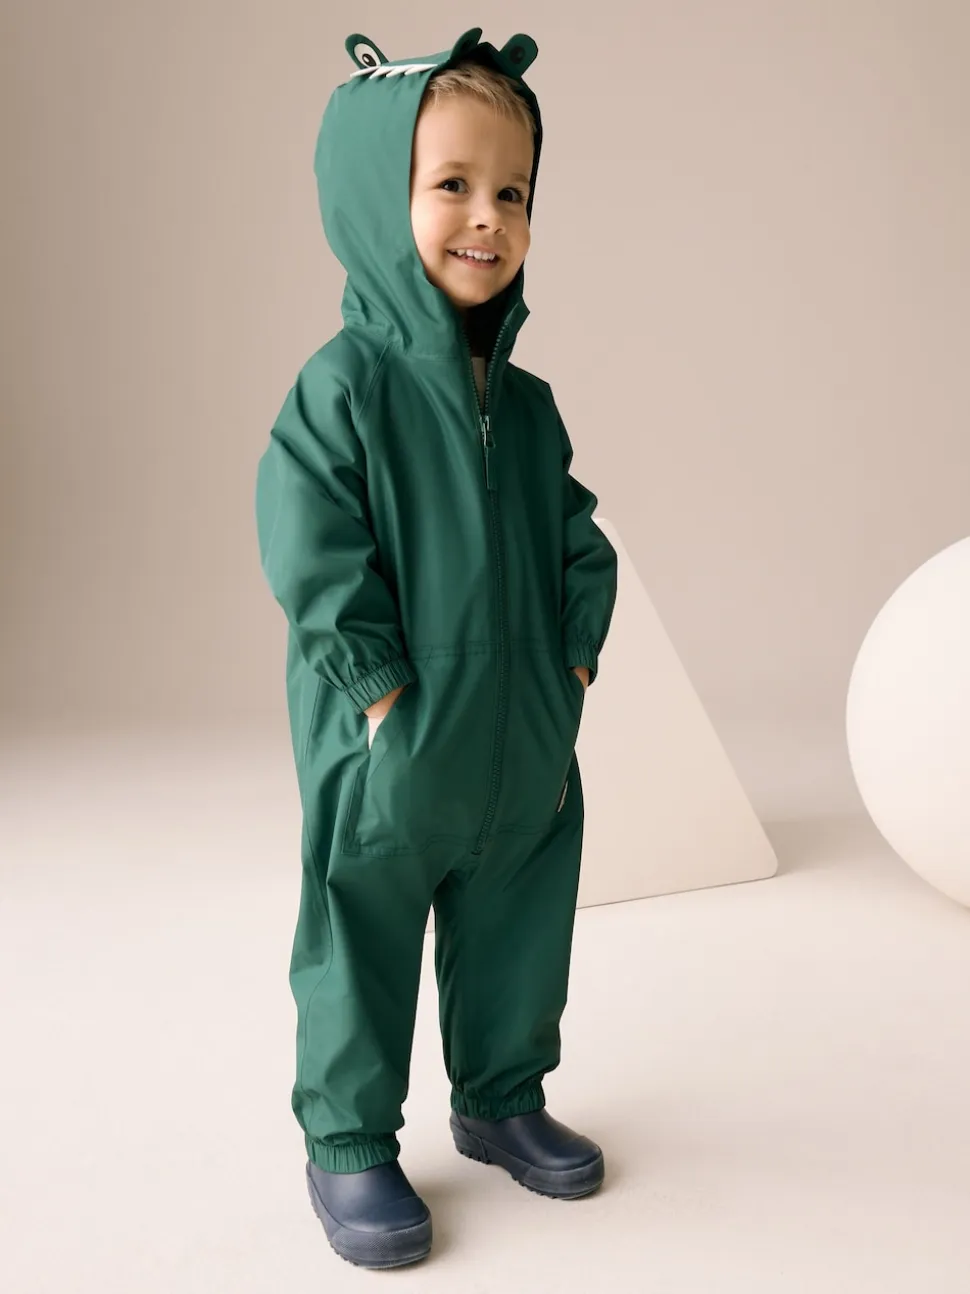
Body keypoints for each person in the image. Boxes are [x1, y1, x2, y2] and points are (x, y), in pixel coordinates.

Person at [255, 26, 618, 1270]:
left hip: (523, 742)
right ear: (378, 199)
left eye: (511, 193)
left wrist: (572, 663)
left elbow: (578, 538)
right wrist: (377, 693)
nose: (486, 218)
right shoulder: (342, 389)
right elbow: (311, 549)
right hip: (394, 745)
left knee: (520, 920)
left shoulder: (527, 407)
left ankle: (501, 1094)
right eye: (451, 184)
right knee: (357, 933)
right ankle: (348, 1139)